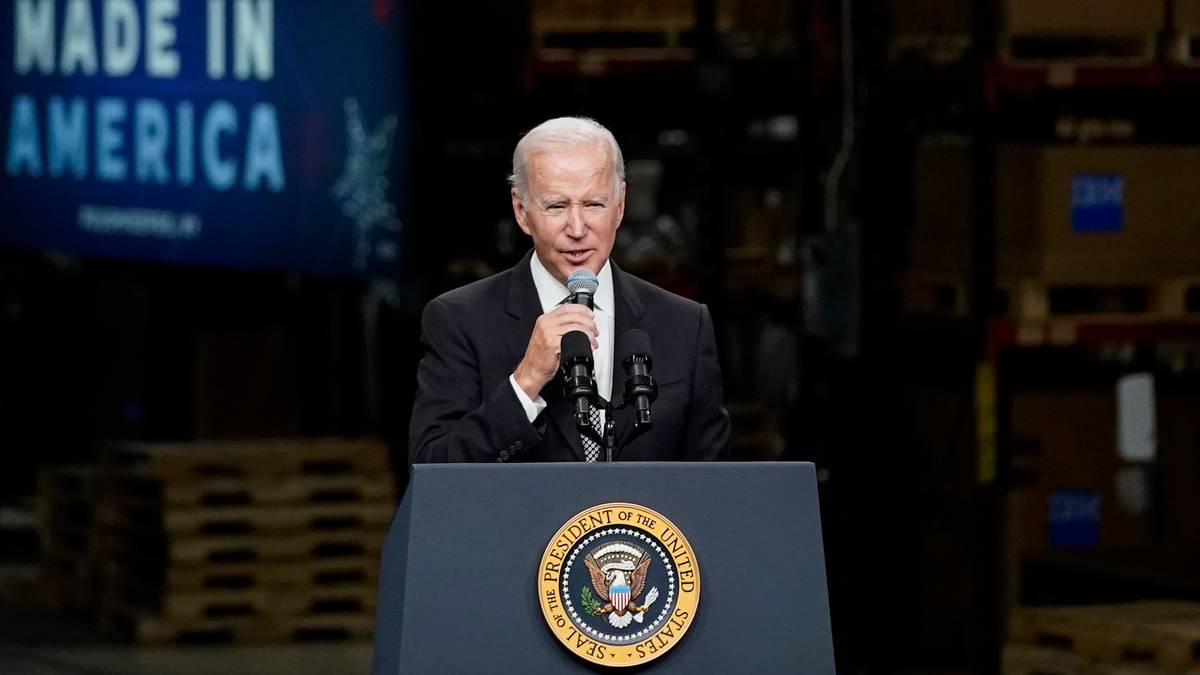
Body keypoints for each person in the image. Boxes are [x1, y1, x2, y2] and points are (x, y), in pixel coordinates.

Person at [409, 116, 730, 463]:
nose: (577, 228)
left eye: (594, 204)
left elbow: (714, 486)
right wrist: (525, 382)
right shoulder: (459, 320)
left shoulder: (685, 324)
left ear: (620, 206)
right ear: (521, 210)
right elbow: (431, 470)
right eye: (557, 206)